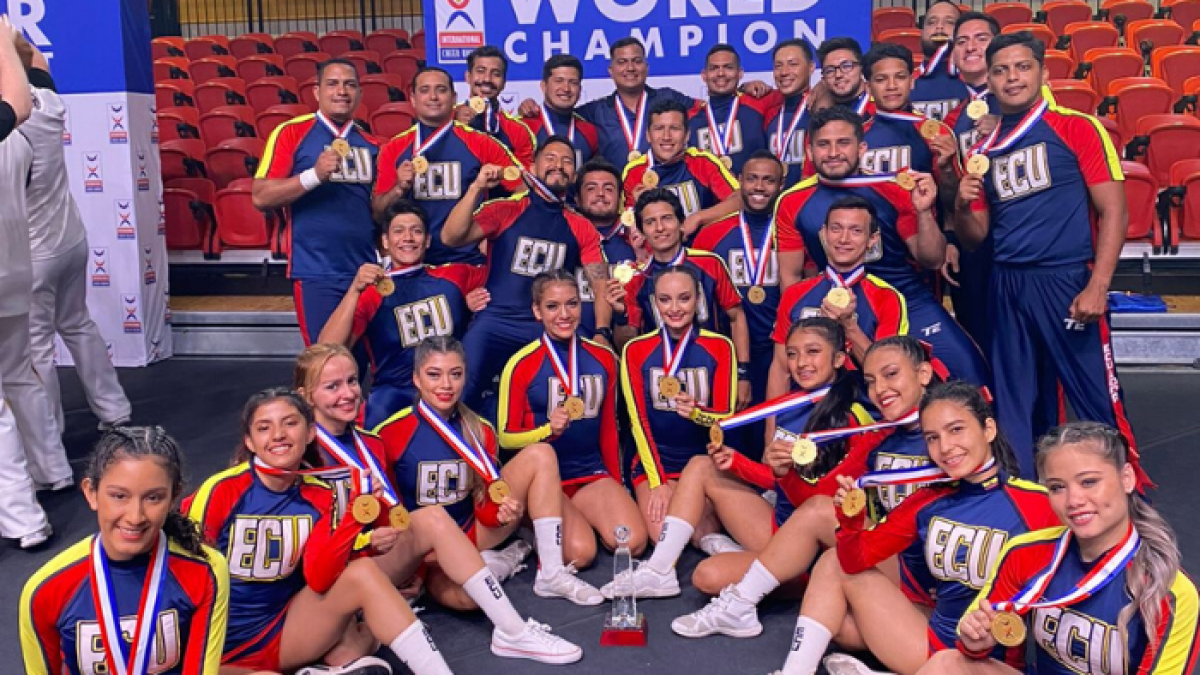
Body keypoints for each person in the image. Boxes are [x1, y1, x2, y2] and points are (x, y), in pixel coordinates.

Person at [295, 342, 591, 660]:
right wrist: (407, 566)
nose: (349, 392)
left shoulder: (370, 443)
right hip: (331, 576)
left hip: (390, 556)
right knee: (344, 656)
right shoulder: (302, 455)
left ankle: (513, 629)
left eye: (353, 381)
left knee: (458, 570)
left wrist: (413, 567)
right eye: (332, 386)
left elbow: (393, 518)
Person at [954, 32, 1148, 486]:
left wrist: (1099, 284)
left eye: (1022, 67)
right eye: (1000, 71)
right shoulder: (983, 151)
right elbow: (976, 236)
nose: (1012, 78)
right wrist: (962, 205)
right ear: (990, 82)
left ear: (1042, 73)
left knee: (1095, 395)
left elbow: (1114, 209)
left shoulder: (1078, 127)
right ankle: (1024, 500)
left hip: (1064, 279)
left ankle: (1129, 498)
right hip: (1006, 284)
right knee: (1014, 400)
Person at [775, 382, 1060, 675]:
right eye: (933, 438)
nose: (945, 447)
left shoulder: (1039, 505)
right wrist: (850, 521)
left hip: (987, 662)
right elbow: (852, 560)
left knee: (843, 624)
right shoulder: (928, 500)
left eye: (956, 430)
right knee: (836, 594)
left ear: (988, 429)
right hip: (934, 642)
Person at [669, 336, 943, 639]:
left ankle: (751, 595)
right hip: (886, 558)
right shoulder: (877, 437)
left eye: (891, 375)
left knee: (842, 622)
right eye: (871, 381)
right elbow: (817, 501)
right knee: (836, 623)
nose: (879, 389)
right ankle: (739, 597)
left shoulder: (948, 438)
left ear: (924, 374)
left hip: (932, 578)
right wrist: (785, 474)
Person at [604, 318, 871, 607]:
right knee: (701, 465)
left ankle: (805, 578)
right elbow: (778, 481)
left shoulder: (852, 418)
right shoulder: (790, 405)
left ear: (839, 359)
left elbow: (825, 505)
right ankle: (660, 570)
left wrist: (775, 475)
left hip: (811, 545)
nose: (801, 363)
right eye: (792, 354)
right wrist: (738, 464)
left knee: (706, 576)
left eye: (813, 352)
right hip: (780, 523)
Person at [185, 389, 453, 674]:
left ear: (311, 432)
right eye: (264, 428)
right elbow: (186, 575)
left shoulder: (322, 494)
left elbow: (320, 577)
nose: (278, 435)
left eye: (290, 423)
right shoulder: (220, 491)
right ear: (250, 442)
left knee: (362, 574)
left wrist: (352, 514)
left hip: (283, 634)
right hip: (215, 649)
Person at [924, 422, 1199, 675]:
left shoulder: (1171, 592)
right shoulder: (1024, 552)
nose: (1074, 500)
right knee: (947, 664)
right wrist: (976, 641)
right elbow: (976, 634)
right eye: (1057, 487)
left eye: (1089, 482)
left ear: (1127, 478)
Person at [374, 336, 603, 614]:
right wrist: (418, 567)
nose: (446, 385)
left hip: (471, 531)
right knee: (469, 600)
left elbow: (484, 502)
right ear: (417, 379)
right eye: (434, 375)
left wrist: (501, 512)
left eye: (455, 374)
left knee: (541, 453)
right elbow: (390, 515)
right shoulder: (389, 433)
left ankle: (551, 574)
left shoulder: (479, 429)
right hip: (427, 549)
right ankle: (502, 560)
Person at [774, 106, 989, 388]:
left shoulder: (894, 187)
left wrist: (924, 212)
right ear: (810, 151)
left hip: (907, 301)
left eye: (843, 143)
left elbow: (933, 259)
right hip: (836, 304)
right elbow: (790, 278)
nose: (834, 152)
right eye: (824, 144)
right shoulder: (792, 201)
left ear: (862, 148)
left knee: (968, 373)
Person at [19, 428, 229, 675]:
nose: (135, 516)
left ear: (173, 497)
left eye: (153, 498)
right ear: (91, 493)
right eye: (119, 496)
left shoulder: (205, 570)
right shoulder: (46, 590)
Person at [440, 137, 610, 412]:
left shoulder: (581, 226)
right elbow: (450, 237)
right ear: (532, 166)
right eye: (551, 158)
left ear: (574, 174)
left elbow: (600, 284)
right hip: (495, 321)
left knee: (548, 400)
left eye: (567, 161)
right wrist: (476, 188)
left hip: (546, 327)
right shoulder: (505, 209)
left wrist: (602, 331)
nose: (559, 165)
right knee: (462, 387)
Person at [19, 36, 132, 435]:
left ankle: (46, 437)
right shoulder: (48, 105)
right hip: (70, 240)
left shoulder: (7, 125)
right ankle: (115, 410)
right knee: (78, 325)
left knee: (36, 350)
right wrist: (7, 34)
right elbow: (34, 57)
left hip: (30, 255)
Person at [497, 271, 647, 560]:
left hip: (588, 472)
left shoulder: (603, 358)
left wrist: (616, 484)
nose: (564, 314)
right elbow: (505, 438)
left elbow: (608, 429)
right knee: (582, 554)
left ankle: (579, 515)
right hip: (544, 483)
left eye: (572, 304)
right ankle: (535, 527)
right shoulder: (521, 364)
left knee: (632, 542)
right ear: (537, 312)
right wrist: (546, 430)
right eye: (552, 306)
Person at [318, 200, 486, 427]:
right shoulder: (372, 292)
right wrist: (354, 290)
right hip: (395, 393)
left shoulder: (456, 276)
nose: (408, 238)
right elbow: (327, 348)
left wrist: (474, 302)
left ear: (427, 241)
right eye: (399, 231)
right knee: (373, 425)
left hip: (449, 387)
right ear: (385, 242)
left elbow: (507, 283)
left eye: (416, 231)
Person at [253, 59, 380, 345]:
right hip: (316, 269)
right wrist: (314, 176)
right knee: (324, 362)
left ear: (359, 93)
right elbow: (261, 196)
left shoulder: (372, 144)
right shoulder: (291, 133)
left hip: (364, 268)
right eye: (332, 84)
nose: (342, 91)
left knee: (361, 362)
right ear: (316, 91)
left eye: (349, 84)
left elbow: (376, 211)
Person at [0, 16, 66, 549]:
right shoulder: (28, 128)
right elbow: (33, 81)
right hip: (14, 272)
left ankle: (23, 519)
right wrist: (8, 39)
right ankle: (54, 470)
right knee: (20, 378)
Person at [619, 266, 737, 541]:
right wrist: (658, 482)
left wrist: (698, 413)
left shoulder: (720, 346)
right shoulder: (636, 350)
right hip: (655, 461)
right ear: (655, 303)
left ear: (698, 300)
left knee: (703, 533)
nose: (674, 308)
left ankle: (722, 557)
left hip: (703, 461)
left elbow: (726, 416)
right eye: (665, 299)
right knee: (665, 535)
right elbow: (638, 421)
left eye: (683, 298)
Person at [609, 189, 752, 409]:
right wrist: (620, 316)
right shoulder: (635, 279)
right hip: (660, 374)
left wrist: (743, 374)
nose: (659, 228)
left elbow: (736, 317)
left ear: (681, 222)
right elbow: (627, 343)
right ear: (642, 230)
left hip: (712, 368)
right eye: (650, 222)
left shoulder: (710, 264)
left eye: (666, 218)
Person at [373, 67, 524, 265]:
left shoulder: (482, 143)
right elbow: (378, 213)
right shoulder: (394, 148)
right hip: (412, 262)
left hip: (466, 262)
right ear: (412, 99)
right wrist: (399, 188)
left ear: (454, 98)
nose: (433, 97)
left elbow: (524, 192)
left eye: (441, 90)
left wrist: (495, 231)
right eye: (425, 90)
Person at [693, 151, 786, 454]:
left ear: (781, 185)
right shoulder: (711, 236)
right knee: (731, 431)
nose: (759, 187)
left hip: (778, 350)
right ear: (740, 184)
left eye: (769, 180)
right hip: (730, 352)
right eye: (752, 179)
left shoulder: (791, 230)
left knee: (773, 425)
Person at [774, 196, 909, 369]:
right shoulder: (794, 294)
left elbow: (884, 370)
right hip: (806, 396)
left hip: (859, 396)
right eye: (836, 229)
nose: (844, 239)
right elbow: (780, 368)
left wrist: (849, 326)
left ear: (872, 239)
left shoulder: (887, 297)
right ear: (824, 233)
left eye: (856, 231)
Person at [939, 11, 1001, 354]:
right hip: (972, 244)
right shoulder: (953, 117)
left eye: (980, 39)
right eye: (961, 41)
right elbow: (949, 193)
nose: (970, 47)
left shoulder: (1027, 104)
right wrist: (950, 237)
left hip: (1018, 242)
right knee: (977, 337)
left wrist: (1009, 132)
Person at [622, 99, 741, 235]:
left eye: (674, 128)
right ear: (648, 135)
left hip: (702, 249)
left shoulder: (702, 161)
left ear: (687, 136)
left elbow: (740, 200)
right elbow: (627, 225)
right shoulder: (634, 171)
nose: (666, 137)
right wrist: (639, 207)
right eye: (659, 128)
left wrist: (699, 218)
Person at [573, 159, 645, 337]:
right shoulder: (565, 233)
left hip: (631, 337)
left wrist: (643, 254)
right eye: (591, 188)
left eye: (608, 188)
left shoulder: (640, 233)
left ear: (620, 198)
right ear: (577, 199)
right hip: (572, 342)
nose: (600, 194)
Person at [860, 43, 947, 178]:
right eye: (881, 79)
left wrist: (947, 169)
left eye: (900, 77)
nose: (892, 86)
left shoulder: (936, 132)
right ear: (868, 87)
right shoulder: (856, 136)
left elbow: (949, 196)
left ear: (912, 82)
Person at [689, 44, 770, 175]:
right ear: (704, 75)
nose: (721, 73)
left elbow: (799, 94)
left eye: (728, 67)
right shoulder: (691, 118)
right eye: (714, 68)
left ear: (740, 73)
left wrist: (817, 88)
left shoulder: (759, 102)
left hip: (755, 192)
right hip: (709, 194)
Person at [454, 46, 536, 168]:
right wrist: (453, 126)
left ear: (504, 82)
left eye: (496, 74)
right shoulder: (447, 118)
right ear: (468, 77)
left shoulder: (518, 131)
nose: (487, 79)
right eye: (481, 71)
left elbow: (524, 180)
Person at [524, 54, 599, 167]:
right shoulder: (524, 126)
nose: (566, 89)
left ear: (580, 89)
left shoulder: (589, 131)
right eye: (559, 81)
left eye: (573, 82)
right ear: (544, 86)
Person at [763, 39, 818, 185]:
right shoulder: (769, 113)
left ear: (811, 67)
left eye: (793, 64)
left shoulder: (822, 108)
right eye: (778, 66)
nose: (784, 72)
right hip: (777, 203)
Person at [910, 0, 968, 120]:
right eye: (931, 22)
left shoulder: (976, 81)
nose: (939, 27)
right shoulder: (904, 83)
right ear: (921, 32)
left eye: (949, 22)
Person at [814, 37, 875, 116]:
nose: (838, 75)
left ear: (861, 68)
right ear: (823, 78)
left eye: (846, 66)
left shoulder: (878, 107)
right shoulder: (819, 112)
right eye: (830, 70)